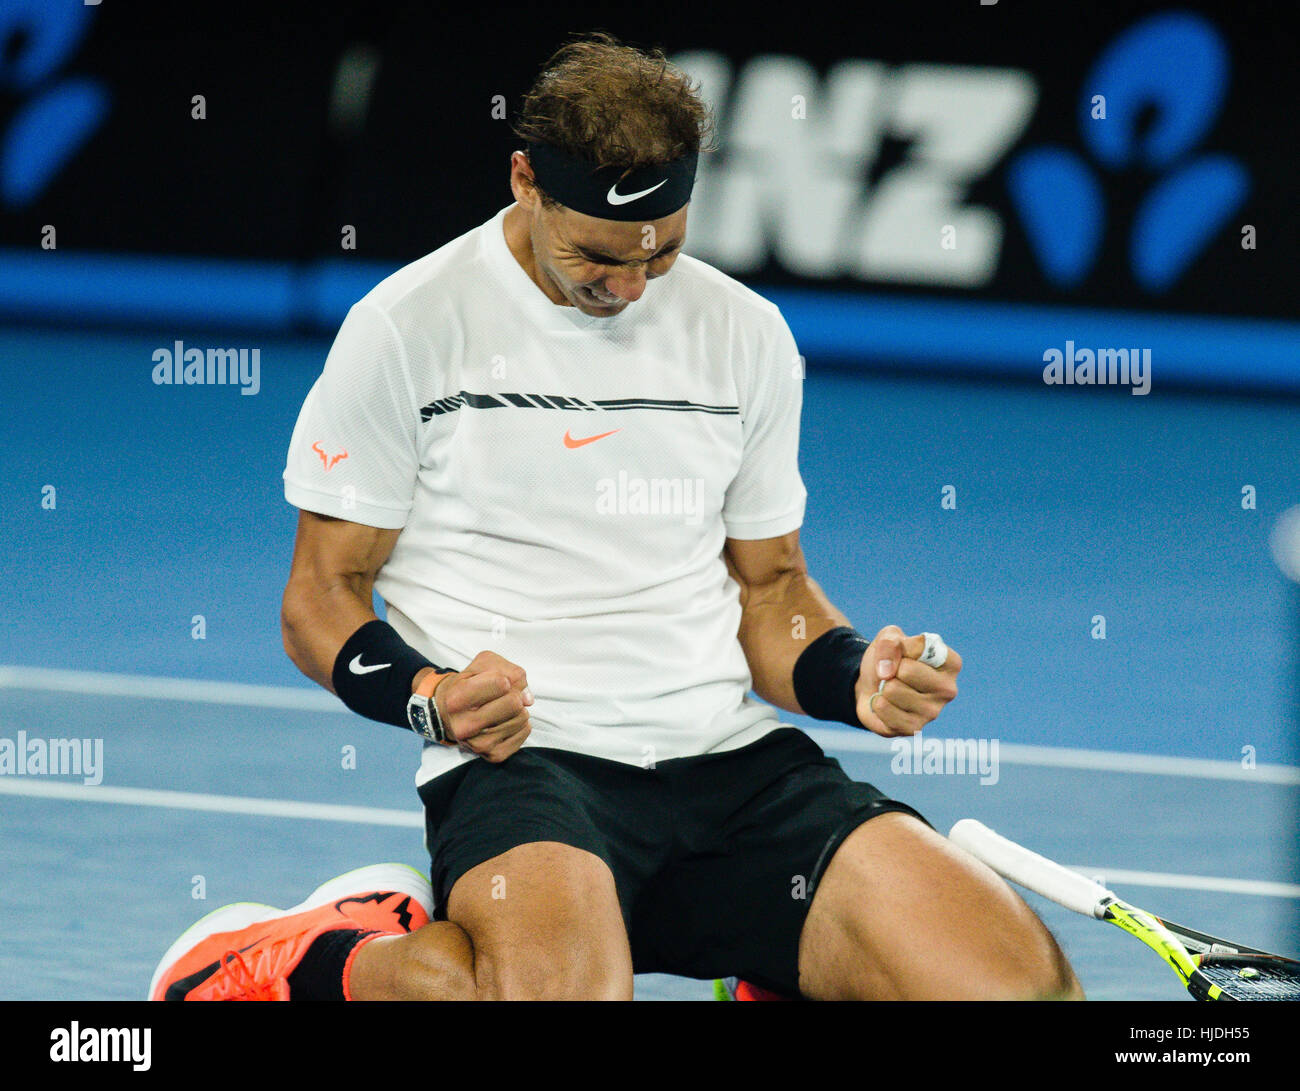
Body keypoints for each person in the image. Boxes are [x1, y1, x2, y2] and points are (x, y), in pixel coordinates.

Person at [152, 32, 1083, 1002]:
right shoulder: (407, 327)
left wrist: (855, 672)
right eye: (596, 255)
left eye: (663, 253)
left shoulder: (745, 335)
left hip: (732, 764)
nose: (631, 288)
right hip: (528, 769)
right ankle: (303, 958)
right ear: (524, 180)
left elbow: (770, 591)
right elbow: (319, 598)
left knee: (1020, 989)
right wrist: (428, 693)